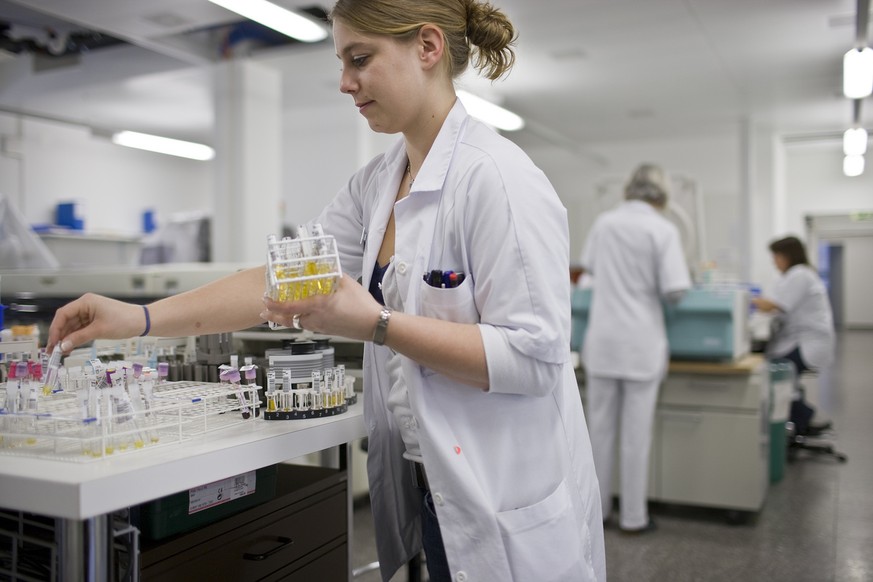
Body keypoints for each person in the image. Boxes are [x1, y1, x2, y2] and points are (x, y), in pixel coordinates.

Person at [47, 1, 606, 580]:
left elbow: (533, 358)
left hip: (502, 496)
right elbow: (280, 277)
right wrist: (138, 318)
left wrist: (379, 325)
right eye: (342, 62)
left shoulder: (499, 179)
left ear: (428, 47)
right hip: (433, 482)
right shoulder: (378, 183)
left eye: (360, 59)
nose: (345, 83)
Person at [578, 163, 691, 534]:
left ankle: (599, 513)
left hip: (604, 343)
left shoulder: (605, 223)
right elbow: (676, 289)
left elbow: (588, 270)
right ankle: (633, 517)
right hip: (641, 344)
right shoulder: (663, 229)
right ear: (661, 195)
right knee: (635, 437)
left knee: (599, 433)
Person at [751, 235, 835, 435]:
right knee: (780, 374)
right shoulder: (794, 276)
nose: (774, 261)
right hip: (801, 340)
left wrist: (742, 298)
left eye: (776, 256)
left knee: (776, 373)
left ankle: (802, 419)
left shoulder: (800, 274)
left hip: (809, 343)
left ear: (788, 255)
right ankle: (800, 418)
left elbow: (774, 305)